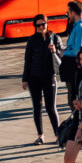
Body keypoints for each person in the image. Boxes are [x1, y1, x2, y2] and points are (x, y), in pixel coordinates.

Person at [22, 14, 65, 145]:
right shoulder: (32, 40)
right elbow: (27, 60)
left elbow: (61, 57)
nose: (41, 27)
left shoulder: (55, 38)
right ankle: (40, 136)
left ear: (47, 24)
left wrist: (55, 51)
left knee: (50, 107)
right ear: (35, 27)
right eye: (38, 25)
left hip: (49, 77)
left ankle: (58, 134)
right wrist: (25, 79)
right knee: (37, 107)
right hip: (34, 78)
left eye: (43, 24)